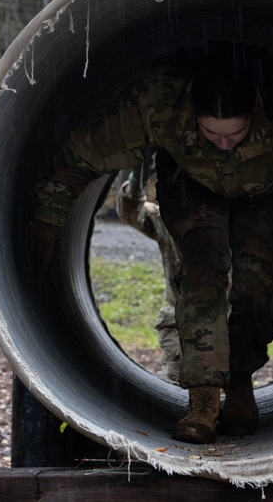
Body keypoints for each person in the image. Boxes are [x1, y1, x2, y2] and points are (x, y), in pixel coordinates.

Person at [27, 44, 273, 444]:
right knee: (202, 274)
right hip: (191, 187)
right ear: (192, 114)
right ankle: (203, 402)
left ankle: (240, 380)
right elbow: (79, 158)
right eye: (211, 133)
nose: (224, 144)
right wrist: (46, 221)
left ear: (256, 109)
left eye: (236, 134)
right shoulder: (158, 105)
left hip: (266, 192)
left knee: (262, 290)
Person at [114, 158, 183, 384]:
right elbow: (131, 212)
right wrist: (137, 180)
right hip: (179, 321)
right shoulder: (167, 219)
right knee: (176, 384)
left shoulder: (232, 219)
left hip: (227, 321)